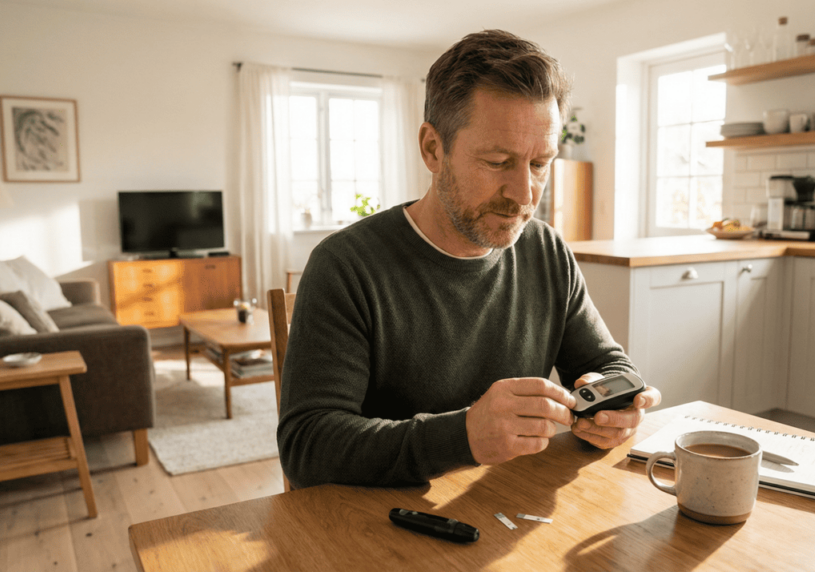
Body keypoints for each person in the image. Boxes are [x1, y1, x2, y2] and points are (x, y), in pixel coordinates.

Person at [278, 29, 661, 489]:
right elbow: (307, 446)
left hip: (507, 512)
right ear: (432, 149)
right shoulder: (345, 266)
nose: (524, 194)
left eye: (540, 164)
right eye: (498, 162)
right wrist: (462, 437)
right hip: (382, 530)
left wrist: (615, 410)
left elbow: (611, 367)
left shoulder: (547, 251)